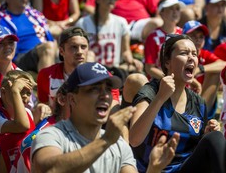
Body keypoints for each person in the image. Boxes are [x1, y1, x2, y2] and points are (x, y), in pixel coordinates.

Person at [31, 62, 179, 173]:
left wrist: (153, 169)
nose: (105, 95)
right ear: (71, 99)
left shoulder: (118, 145)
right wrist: (106, 140)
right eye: (94, 89)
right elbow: (49, 170)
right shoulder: (50, 136)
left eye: (108, 89)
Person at [129, 34, 225, 173]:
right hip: (152, 169)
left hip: (184, 169)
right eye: (184, 53)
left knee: (215, 137)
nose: (191, 57)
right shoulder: (151, 91)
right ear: (167, 62)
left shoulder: (198, 102)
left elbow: (195, 148)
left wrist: (206, 135)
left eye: (194, 54)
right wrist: (160, 98)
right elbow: (134, 139)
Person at [0, 0, 56, 73]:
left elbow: (51, 40)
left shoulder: (36, 16)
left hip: (44, 54)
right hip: (18, 60)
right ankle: (45, 86)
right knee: (48, 48)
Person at [76, 0, 143, 75]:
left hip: (114, 70)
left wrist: (132, 61)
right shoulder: (83, 23)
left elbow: (125, 51)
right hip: (91, 71)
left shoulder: (121, 22)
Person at [0, 70, 36, 172]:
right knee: (12, 141)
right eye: (20, 91)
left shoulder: (27, 112)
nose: (25, 96)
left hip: (19, 164)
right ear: (3, 92)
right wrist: (14, 91)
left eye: (28, 93)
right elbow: (21, 126)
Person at [37, 27, 90, 106]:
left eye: (83, 47)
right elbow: (43, 106)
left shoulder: (99, 74)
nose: (79, 52)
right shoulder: (46, 75)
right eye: (74, 47)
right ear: (61, 51)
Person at [144, 0, 183, 80]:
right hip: (159, 83)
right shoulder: (153, 37)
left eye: (177, 9)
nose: (175, 12)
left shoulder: (184, 34)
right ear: (161, 12)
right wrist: (170, 79)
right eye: (171, 8)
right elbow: (149, 68)